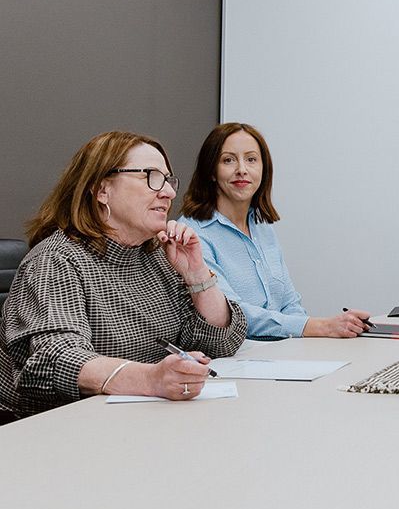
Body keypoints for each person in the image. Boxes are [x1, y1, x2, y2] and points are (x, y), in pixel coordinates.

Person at [0, 131, 247, 418]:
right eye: (151, 177)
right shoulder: (57, 261)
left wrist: (196, 274)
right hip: (53, 430)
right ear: (102, 189)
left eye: (168, 180)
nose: (168, 192)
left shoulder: (156, 254)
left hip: (140, 420)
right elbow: (57, 359)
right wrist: (151, 379)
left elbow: (222, 341)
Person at [177, 123, 370, 340]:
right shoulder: (193, 233)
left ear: (263, 169)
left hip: (282, 352)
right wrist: (318, 327)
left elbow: (289, 301)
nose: (242, 169)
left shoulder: (262, 227)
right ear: (211, 171)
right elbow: (232, 314)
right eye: (228, 160)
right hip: (237, 360)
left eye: (251, 159)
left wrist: (308, 338)